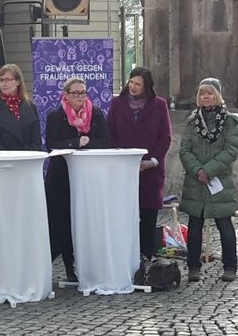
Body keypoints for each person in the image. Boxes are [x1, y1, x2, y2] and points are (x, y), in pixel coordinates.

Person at [45, 78, 110, 282]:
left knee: (82, 222)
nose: (80, 97)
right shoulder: (56, 116)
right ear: (66, 95)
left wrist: (88, 142)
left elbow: (107, 141)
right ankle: (63, 263)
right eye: (75, 93)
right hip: (60, 178)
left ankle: (82, 265)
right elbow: (51, 144)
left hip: (87, 179)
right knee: (60, 222)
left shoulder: (96, 114)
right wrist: (75, 142)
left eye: (83, 93)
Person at [107, 66, 171, 260]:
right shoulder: (117, 103)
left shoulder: (159, 105)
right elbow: (110, 133)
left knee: (148, 213)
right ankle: (125, 255)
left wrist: (153, 160)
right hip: (123, 169)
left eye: (138, 84)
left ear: (147, 87)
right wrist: (121, 157)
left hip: (150, 170)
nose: (133, 87)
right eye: (131, 82)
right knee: (124, 214)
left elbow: (165, 137)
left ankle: (146, 257)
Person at [179, 78, 238, 282]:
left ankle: (230, 266)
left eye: (210, 93)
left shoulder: (230, 121)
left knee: (225, 225)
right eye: (202, 93)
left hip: (219, 181)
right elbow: (184, 150)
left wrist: (210, 170)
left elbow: (232, 149)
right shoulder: (191, 120)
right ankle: (193, 267)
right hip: (196, 182)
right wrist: (198, 170)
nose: (206, 96)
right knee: (195, 226)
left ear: (217, 95)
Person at [0, 64, 41, 150]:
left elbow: (36, 141)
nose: (4, 83)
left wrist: (27, 155)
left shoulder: (31, 106)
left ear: (18, 82)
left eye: (8, 80)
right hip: (3, 159)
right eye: (1, 80)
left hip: (26, 159)